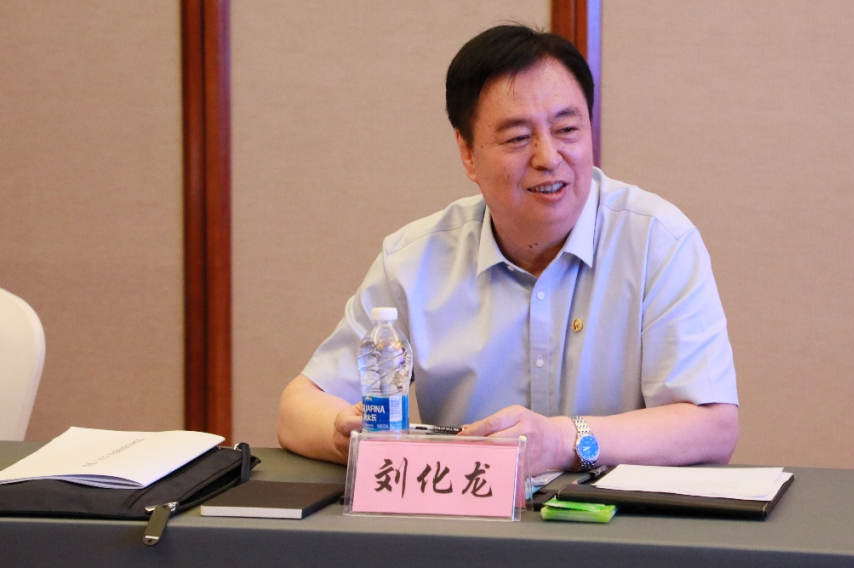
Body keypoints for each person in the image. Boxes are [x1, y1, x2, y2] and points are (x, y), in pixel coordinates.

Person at [278, 24, 739, 475]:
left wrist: (562, 441)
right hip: (465, 518)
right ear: (467, 153)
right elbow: (298, 407)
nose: (548, 157)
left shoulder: (658, 241)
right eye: (518, 138)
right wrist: (343, 434)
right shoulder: (414, 259)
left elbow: (712, 428)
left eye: (567, 129)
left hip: (618, 521)